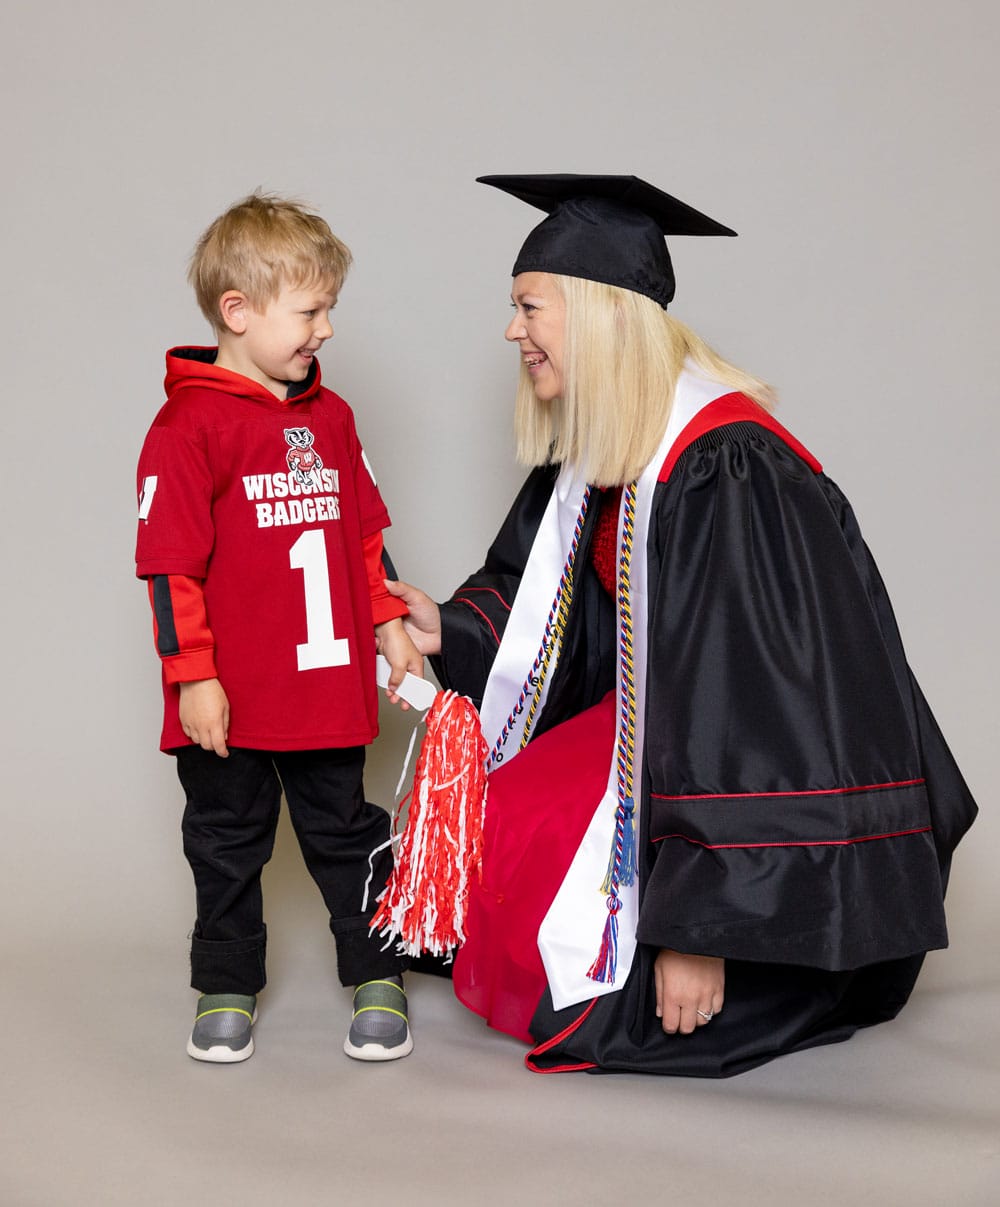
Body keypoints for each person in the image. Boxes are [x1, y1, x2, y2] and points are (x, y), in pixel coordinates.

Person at [387, 174, 978, 1076]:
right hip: (665, 729)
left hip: (764, 773)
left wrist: (698, 924)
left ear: (597, 313)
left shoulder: (725, 466)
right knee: (512, 815)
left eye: (528, 307)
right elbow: (539, 589)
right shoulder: (607, 435)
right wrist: (451, 628)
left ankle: (740, 955)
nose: (512, 330)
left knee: (563, 886)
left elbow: (746, 704)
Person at [135, 192, 421, 1063]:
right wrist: (194, 676)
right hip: (232, 697)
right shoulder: (188, 427)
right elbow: (167, 569)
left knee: (346, 834)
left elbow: (363, 536)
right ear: (239, 311)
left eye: (329, 308)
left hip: (325, 688)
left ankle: (377, 972)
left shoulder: (330, 419)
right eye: (310, 311)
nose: (326, 329)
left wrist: (390, 623)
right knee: (226, 844)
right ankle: (226, 981)